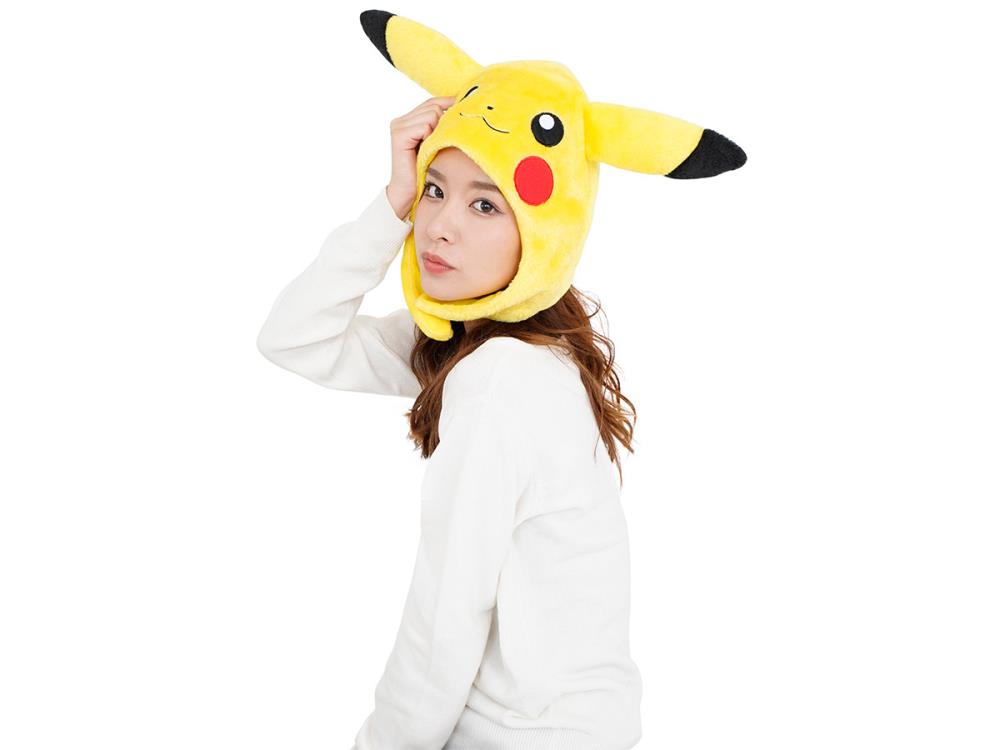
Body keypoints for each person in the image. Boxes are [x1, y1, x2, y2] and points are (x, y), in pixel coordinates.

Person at [257, 97, 643, 749]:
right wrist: (393, 202)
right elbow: (294, 337)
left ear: (542, 233)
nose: (437, 226)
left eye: (484, 205)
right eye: (434, 190)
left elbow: (446, 613)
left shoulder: (502, 379)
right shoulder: (489, 345)